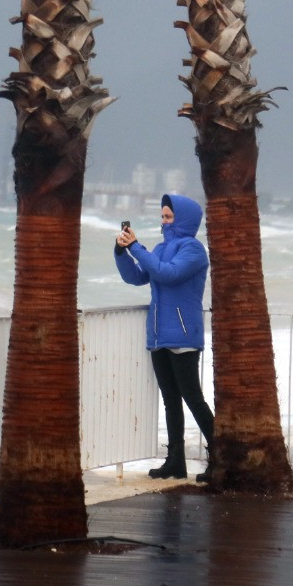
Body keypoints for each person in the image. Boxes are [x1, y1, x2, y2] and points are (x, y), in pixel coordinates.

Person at [115, 193, 216, 481]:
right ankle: (175, 461)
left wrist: (136, 246)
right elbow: (137, 277)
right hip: (159, 336)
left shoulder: (194, 250)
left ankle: (221, 457)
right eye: (162, 216)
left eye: (168, 216)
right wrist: (122, 252)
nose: (164, 221)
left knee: (193, 398)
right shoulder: (159, 249)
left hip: (183, 335)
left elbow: (168, 274)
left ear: (183, 219)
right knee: (171, 400)